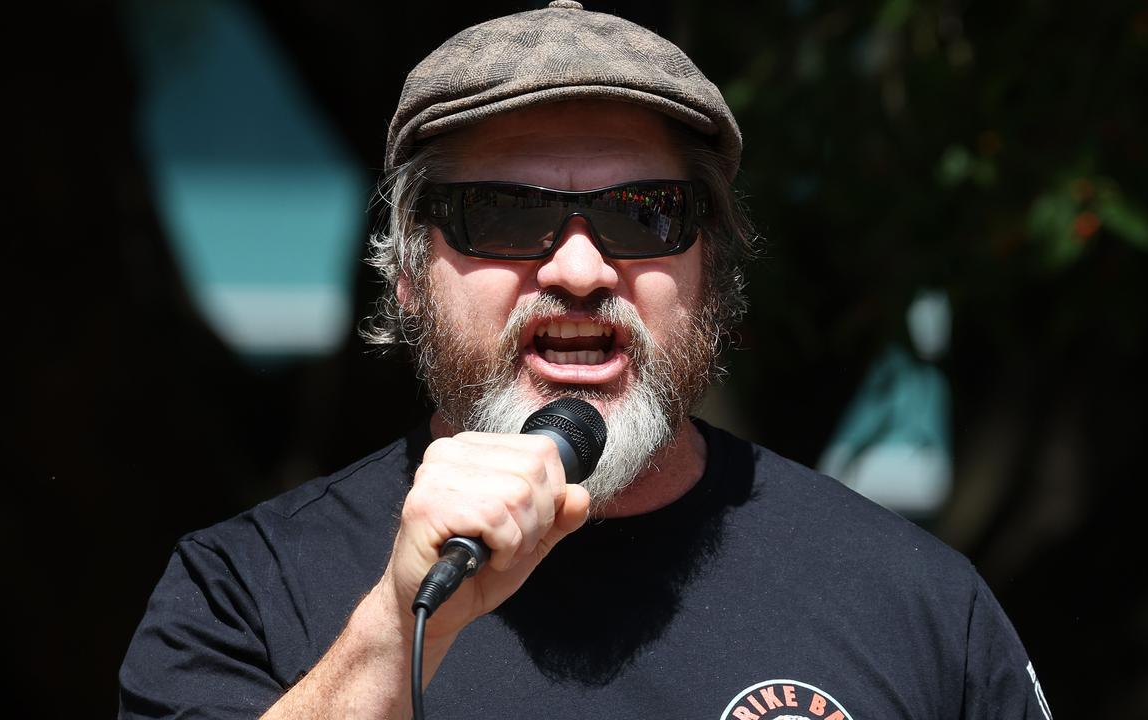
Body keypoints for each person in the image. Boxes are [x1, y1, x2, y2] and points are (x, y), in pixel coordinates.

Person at [119, 3, 1052, 719]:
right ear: (406, 274)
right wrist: (399, 627)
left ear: (711, 272)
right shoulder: (241, 592)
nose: (577, 268)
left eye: (645, 213)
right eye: (504, 214)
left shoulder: (917, 601)